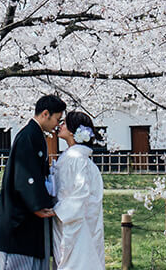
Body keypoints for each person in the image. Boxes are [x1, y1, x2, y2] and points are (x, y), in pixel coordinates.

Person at [0, 94, 66, 270]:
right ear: (45, 114)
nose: (57, 125)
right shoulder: (29, 136)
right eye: (57, 119)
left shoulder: (34, 135)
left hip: (25, 209)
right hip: (19, 212)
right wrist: (37, 205)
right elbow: (25, 175)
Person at [52, 111, 105, 270]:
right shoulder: (77, 158)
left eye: (65, 123)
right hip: (70, 217)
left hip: (74, 220)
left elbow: (80, 193)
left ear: (74, 131)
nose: (60, 126)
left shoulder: (76, 159)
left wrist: (57, 210)